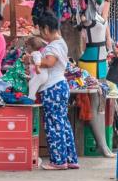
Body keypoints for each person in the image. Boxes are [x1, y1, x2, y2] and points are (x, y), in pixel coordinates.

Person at [24, 14, 79, 170]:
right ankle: (70, 158)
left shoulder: (53, 46)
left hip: (52, 88)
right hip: (60, 86)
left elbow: (49, 62)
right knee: (63, 123)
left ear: (46, 29)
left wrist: (33, 60)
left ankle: (58, 161)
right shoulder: (60, 43)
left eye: (41, 30)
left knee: (53, 125)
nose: (41, 34)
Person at [77, 9, 113, 79]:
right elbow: (82, 19)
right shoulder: (87, 14)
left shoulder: (99, 14)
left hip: (101, 60)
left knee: (102, 86)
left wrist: (108, 38)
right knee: (94, 86)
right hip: (90, 61)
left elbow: (105, 23)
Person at [25, 36, 49, 100]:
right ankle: (32, 96)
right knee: (32, 84)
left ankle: (31, 97)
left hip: (40, 75)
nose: (26, 48)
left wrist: (37, 68)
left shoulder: (35, 53)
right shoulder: (35, 53)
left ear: (30, 46)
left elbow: (38, 61)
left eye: (26, 46)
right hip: (40, 75)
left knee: (32, 83)